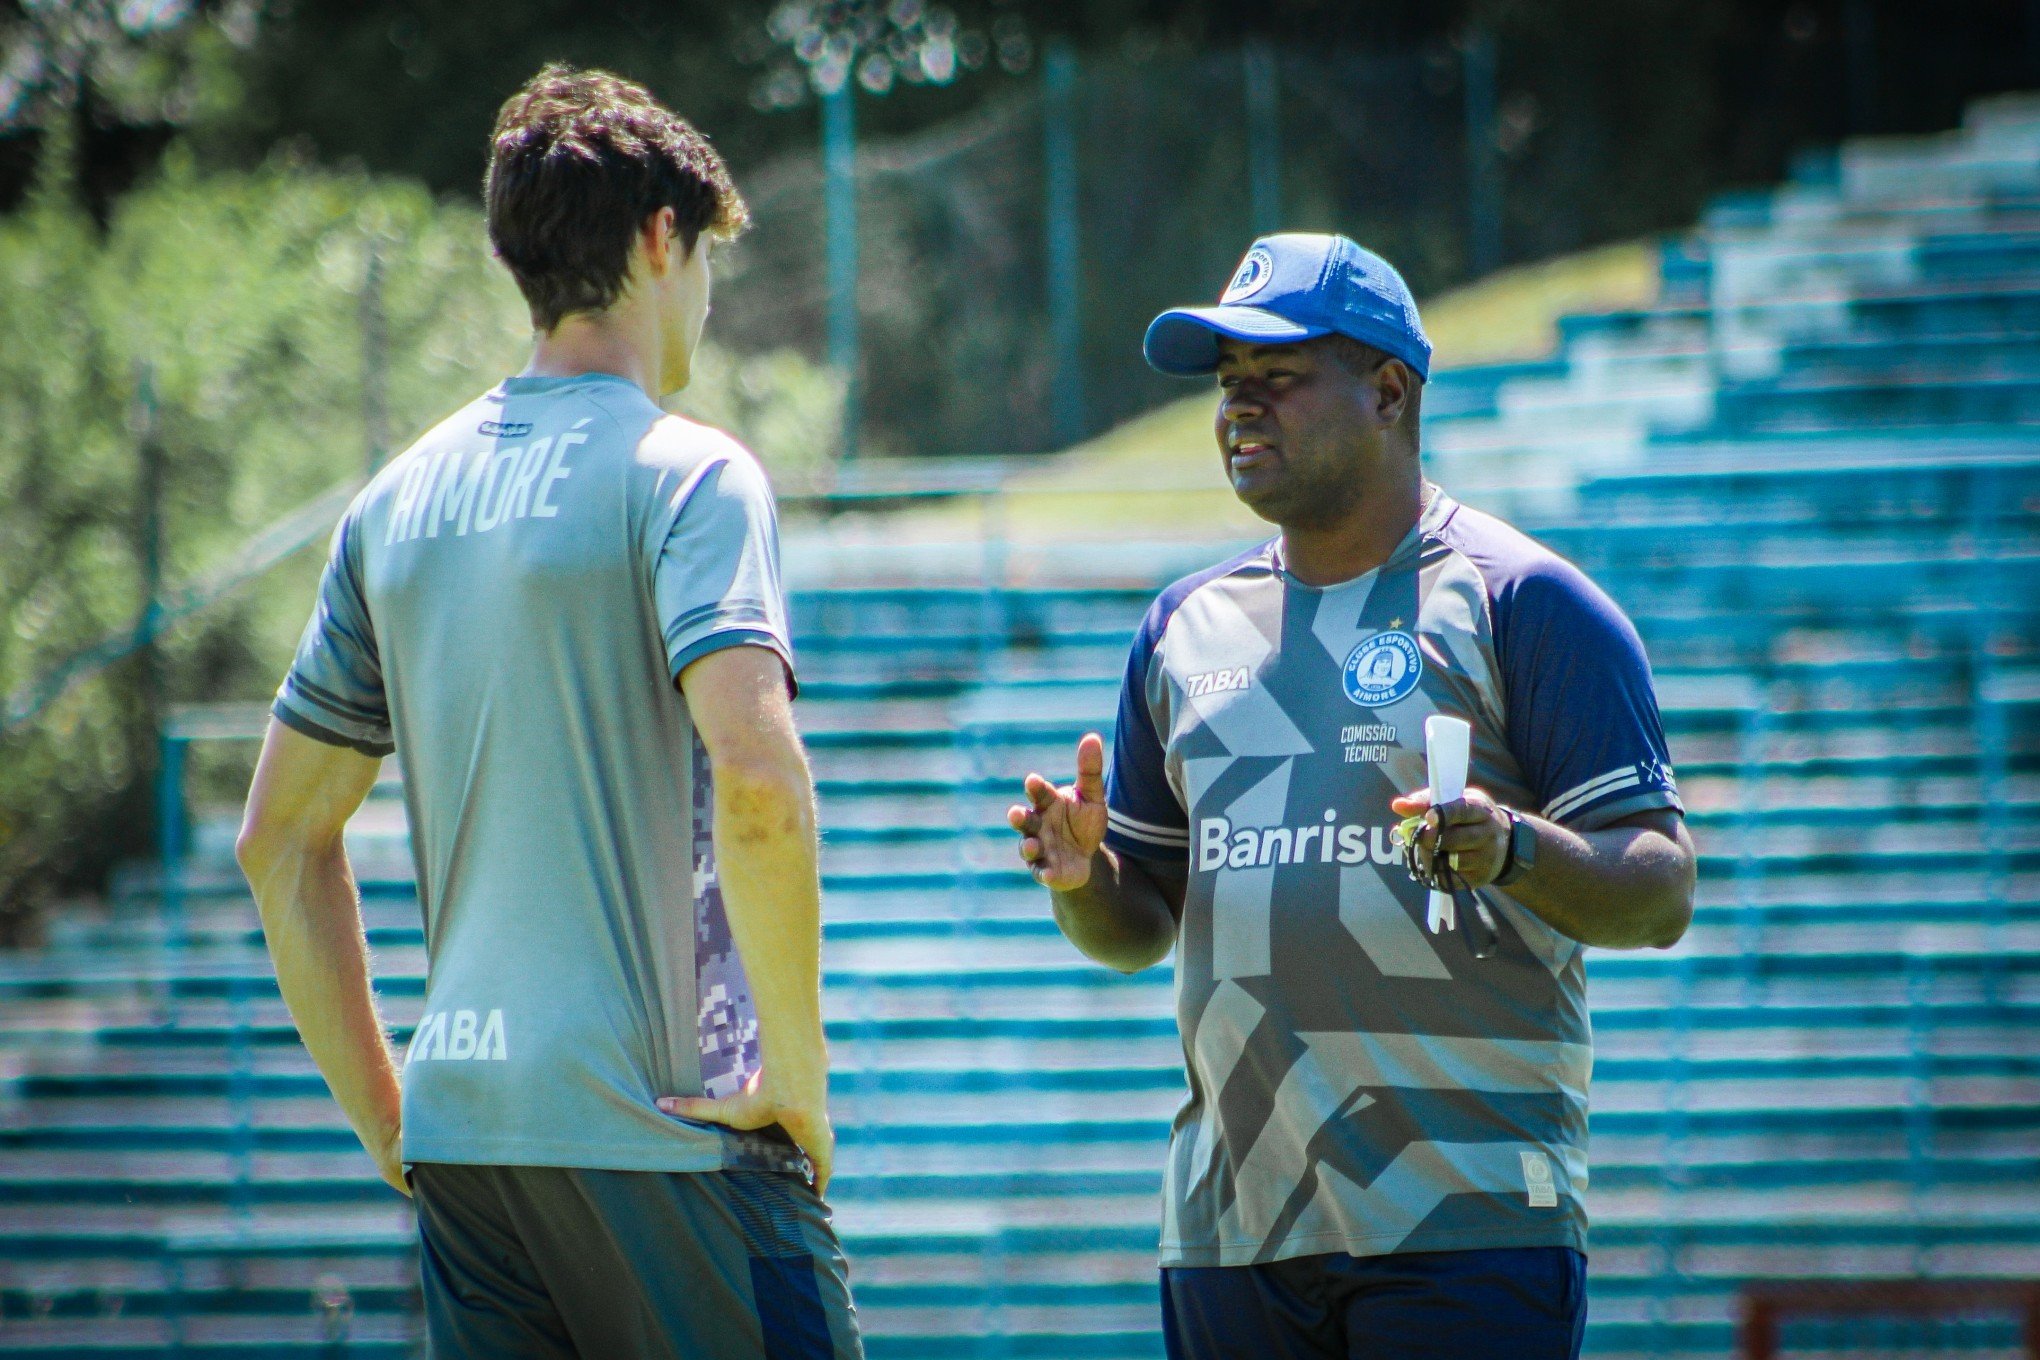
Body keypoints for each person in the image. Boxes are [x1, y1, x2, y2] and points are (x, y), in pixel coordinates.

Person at [235, 65, 861, 1359]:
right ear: (656, 239)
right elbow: (756, 777)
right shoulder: (689, 473)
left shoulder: (390, 507)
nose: (703, 299)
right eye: (704, 261)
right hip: (668, 1131)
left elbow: (277, 840)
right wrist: (793, 1075)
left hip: (468, 1150)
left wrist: (393, 1121)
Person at [1006, 233, 1697, 1360]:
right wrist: (1083, 879)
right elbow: (1137, 928)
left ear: (1388, 393)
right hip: (1233, 1227)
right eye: (1229, 386)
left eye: (1277, 380)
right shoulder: (1181, 628)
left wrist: (1512, 847)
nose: (1241, 410)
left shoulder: (1527, 601)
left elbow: (1659, 889)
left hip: (1467, 1219)